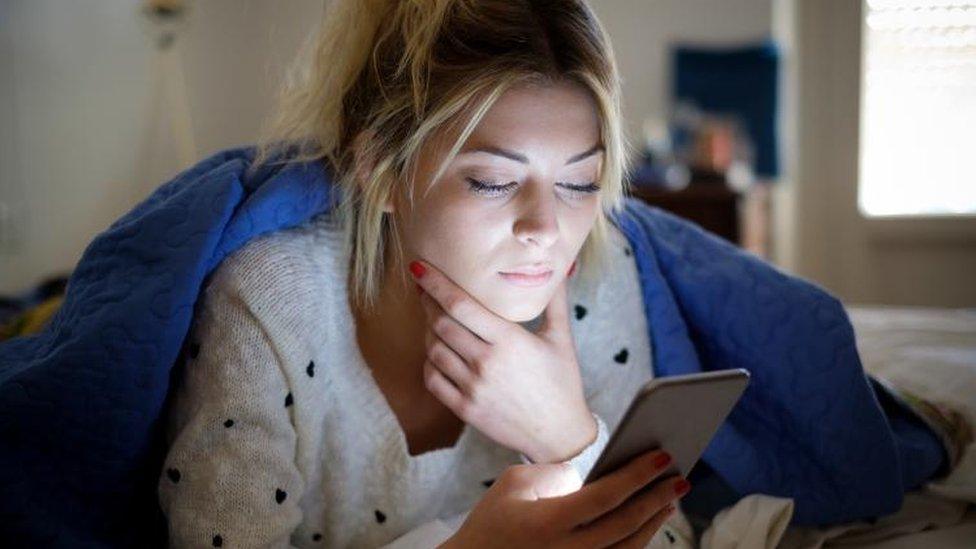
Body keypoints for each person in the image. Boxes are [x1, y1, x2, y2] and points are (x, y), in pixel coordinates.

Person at [158, 0, 691, 547]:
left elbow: (672, 538)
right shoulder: (271, 299)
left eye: (580, 183)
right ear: (380, 173)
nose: (546, 229)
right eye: (492, 181)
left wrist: (568, 437)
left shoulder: (596, 274)